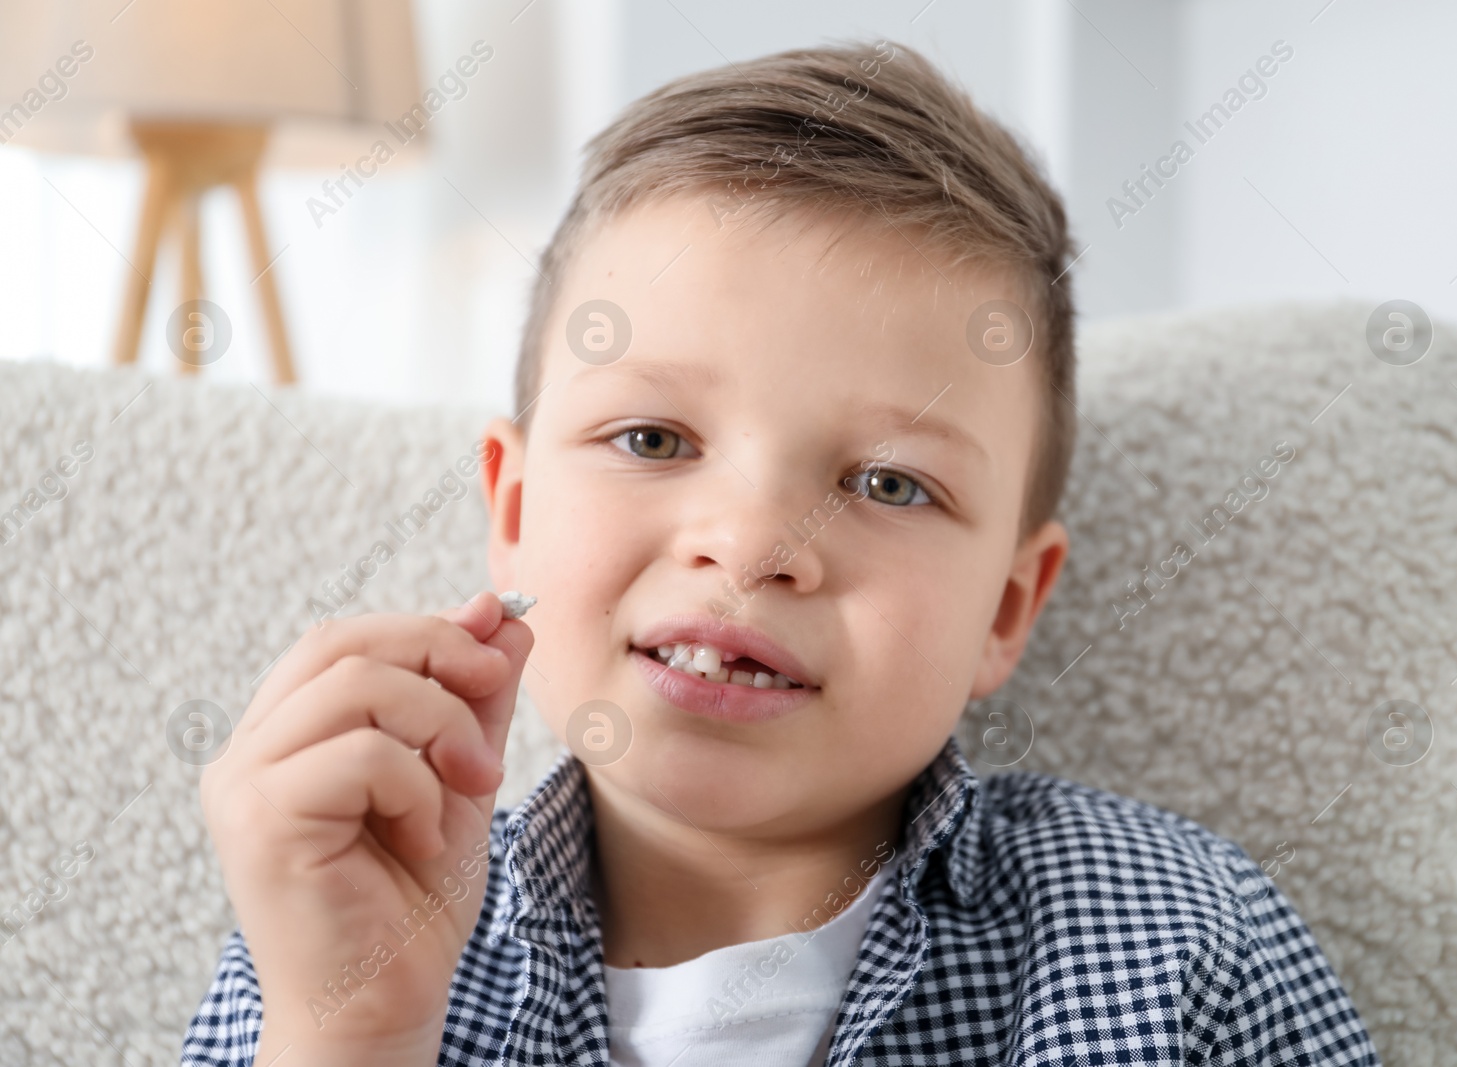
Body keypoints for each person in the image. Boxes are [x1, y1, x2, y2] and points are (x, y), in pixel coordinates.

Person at [181, 38, 1381, 1066]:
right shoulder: (339, 929)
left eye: (889, 482)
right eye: (652, 436)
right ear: (513, 506)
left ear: (1008, 610)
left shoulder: (1178, 942)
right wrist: (351, 1032)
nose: (755, 546)